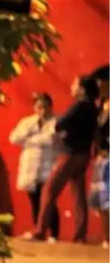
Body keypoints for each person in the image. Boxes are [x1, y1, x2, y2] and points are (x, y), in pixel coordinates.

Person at [32, 75, 99, 242]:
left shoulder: (79, 105)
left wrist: (59, 129)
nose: (71, 87)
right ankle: (80, 235)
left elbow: (61, 122)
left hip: (70, 153)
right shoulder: (92, 107)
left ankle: (40, 230)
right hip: (83, 154)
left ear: (82, 88)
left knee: (49, 189)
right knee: (78, 195)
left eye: (75, 84)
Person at [8, 92, 59, 241]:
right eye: (38, 107)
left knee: (49, 200)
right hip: (31, 167)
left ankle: (54, 233)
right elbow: (14, 138)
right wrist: (28, 134)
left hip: (48, 166)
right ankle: (38, 230)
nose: (41, 110)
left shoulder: (57, 121)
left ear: (50, 106)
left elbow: (51, 139)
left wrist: (29, 140)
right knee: (34, 200)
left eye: (44, 106)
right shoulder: (28, 122)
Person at [90, 65, 109, 247]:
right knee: (101, 202)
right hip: (102, 158)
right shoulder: (101, 105)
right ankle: (107, 239)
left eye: (101, 81)